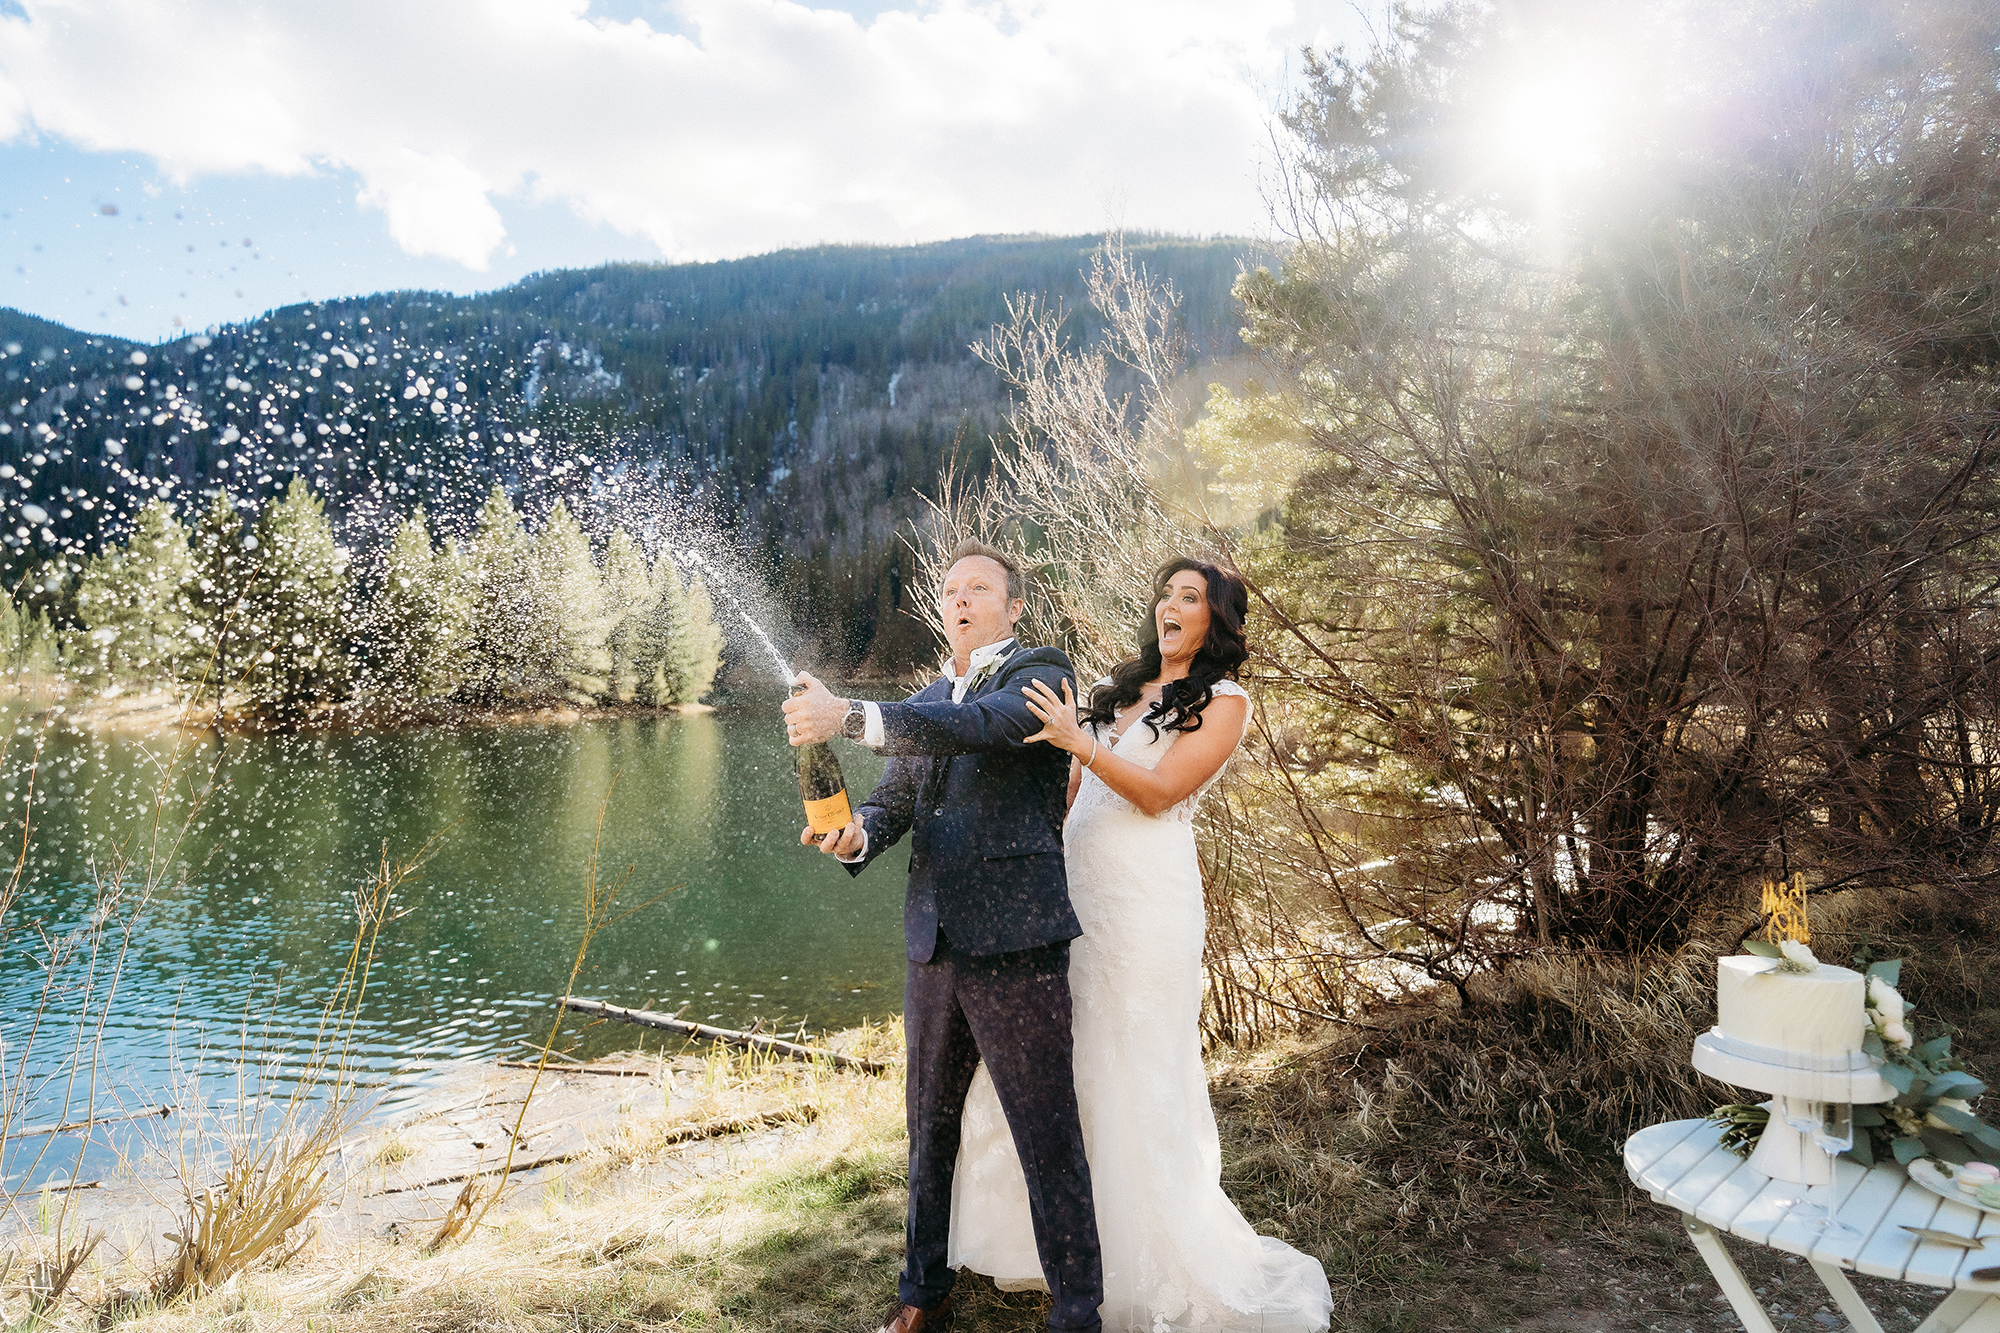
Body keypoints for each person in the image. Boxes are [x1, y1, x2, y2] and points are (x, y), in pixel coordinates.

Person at [947, 557, 1334, 1333]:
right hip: (1078, 893)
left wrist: (1078, 744)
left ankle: (1147, 1260)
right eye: (1166, 593)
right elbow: (1067, 801)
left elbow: (1161, 792)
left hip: (1148, 907)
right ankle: (1063, 1251)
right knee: (1069, 1063)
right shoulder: (1118, 693)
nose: (1170, 605)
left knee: (1136, 1065)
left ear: (1216, 620)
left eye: (1190, 597)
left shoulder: (1227, 702)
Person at [783, 539, 1104, 1333]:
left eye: (978, 588)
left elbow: (978, 727)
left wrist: (851, 715)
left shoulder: (1042, 673)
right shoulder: (927, 696)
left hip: (1018, 946)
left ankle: (1077, 1313)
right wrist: (853, 838)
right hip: (933, 946)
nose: (959, 599)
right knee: (926, 1131)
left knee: (1047, 1136)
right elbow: (893, 805)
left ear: (1014, 604)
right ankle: (923, 1293)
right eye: (950, 588)